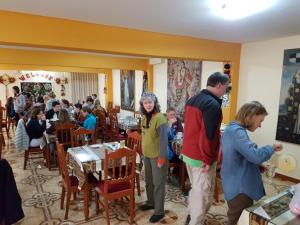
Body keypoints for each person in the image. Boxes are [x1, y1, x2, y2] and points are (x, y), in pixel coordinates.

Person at [181, 72, 231, 225]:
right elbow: (208, 136)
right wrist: (209, 159)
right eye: (226, 87)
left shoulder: (192, 99)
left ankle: (191, 215)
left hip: (188, 154)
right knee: (202, 195)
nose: (226, 91)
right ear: (219, 85)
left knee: (196, 190)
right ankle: (195, 221)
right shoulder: (212, 105)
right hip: (201, 158)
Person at [221, 101, 282, 225]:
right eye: (261, 120)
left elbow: (238, 155)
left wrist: (256, 165)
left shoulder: (232, 129)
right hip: (239, 188)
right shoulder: (237, 132)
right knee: (238, 219)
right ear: (252, 116)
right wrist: (272, 148)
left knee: (237, 217)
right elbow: (255, 156)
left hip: (233, 181)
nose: (260, 125)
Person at [139, 92, 168, 223]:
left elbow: (163, 141)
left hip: (158, 157)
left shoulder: (160, 118)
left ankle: (159, 211)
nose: (148, 105)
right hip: (147, 155)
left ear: (154, 103)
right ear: (142, 104)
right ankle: (151, 202)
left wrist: (162, 158)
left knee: (158, 184)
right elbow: (144, 136)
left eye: (150, 102)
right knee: (149, 182)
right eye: (145, 103)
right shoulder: (144, 117)